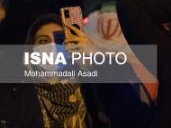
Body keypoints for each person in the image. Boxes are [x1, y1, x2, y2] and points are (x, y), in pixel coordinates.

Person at [0, 14, 153, 128]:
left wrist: (95, 61)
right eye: (43, 41)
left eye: (60, 40)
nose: (53, 47)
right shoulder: (16, 91)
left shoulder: (90, 87)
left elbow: (134, 118)